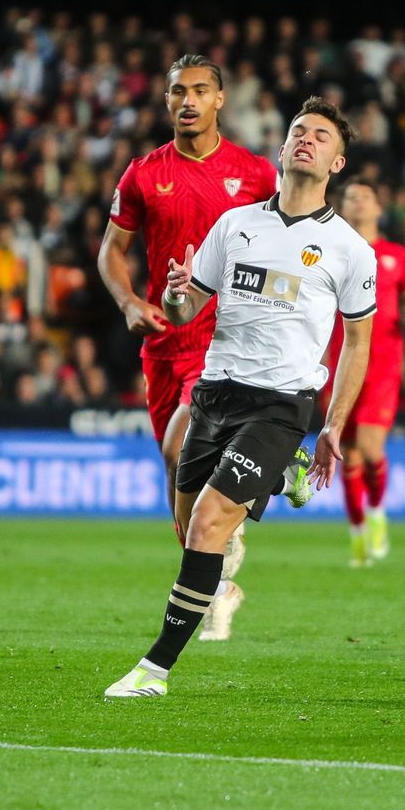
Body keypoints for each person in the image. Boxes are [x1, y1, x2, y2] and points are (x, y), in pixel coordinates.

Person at [104, 97, 377, 698]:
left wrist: (332, 425)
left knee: (206, 525)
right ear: (280, 151)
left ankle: (154, 671)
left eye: (321, 137)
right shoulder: (236, 226)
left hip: (281, 404)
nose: (306, 140)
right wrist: (177, 293)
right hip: (214, 393)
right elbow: (186, 309)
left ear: (337, 163)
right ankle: (280, 478)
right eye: (298, 132)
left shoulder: (350, 251)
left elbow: (357, 344)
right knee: (186, 524)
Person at [97, 54, 298, 644]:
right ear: (167, 102)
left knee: (178, 443)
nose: (188, 100)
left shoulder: (258, 174)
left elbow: (290, 243)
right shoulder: (142, 174)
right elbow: (112, 250)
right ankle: (217, 581)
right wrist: (130, 302)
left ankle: (272, 477)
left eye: (200, 90)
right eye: (178, 91)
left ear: (219, 100)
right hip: (164, 344)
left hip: (231, 340)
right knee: (175, 470)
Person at [320, 179, 405, 566]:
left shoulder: (395, 255)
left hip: (382, 365)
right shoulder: (333, 251)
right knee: (346, 452)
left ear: (379, 208)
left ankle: (377, 511)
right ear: (343, 208)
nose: (358, 202)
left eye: (365, 197)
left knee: (369, 447)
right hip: (340, 362)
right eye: (351, 198)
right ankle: (358, 531)